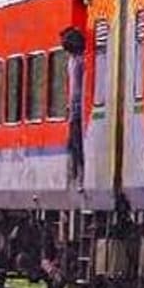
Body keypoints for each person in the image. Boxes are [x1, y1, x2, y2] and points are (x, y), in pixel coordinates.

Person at [61, 26, 86, 189]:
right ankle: (76, 176)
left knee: (76, 145)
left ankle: (78, 177)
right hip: (75, 110)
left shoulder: (78, 61)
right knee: (74, 145)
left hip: (77, 111)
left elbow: (77, 89)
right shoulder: (75, 61)